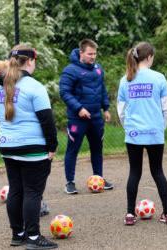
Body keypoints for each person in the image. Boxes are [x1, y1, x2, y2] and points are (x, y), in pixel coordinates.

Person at [0, 44, 58, 249]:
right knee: (32, 192)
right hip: (31, 148)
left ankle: (18, 234)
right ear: (30, 61)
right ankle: (33, 237)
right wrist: (52, 146)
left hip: (7, 146)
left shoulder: (0, 88)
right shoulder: (35, 87)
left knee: (16, 190)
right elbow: (47, 121)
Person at [117, 42, 167, 225]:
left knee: (134, 172)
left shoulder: (125, 79)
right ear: (149, 57)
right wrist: (160, 127)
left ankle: (129, 215)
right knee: (158, 171)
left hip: (134, 133)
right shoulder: (159, 78)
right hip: (154, 133)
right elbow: (166, 109)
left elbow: (121, 111)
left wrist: (129, 128)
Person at [59, 38, 113, 194]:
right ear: (81, 52)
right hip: (78, 119)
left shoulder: (98, 69)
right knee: (72, 150)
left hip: (96, 118)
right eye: (90, 54)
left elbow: (102, 89)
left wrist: (106, 108)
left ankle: (99, 178)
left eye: (95, 54)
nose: (93, 57)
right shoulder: (70, 70)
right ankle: (70, 182)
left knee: (97, 148)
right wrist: (79, 108)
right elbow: (64, 92)